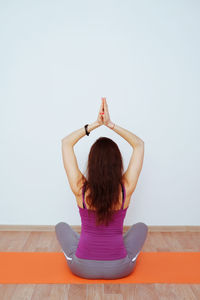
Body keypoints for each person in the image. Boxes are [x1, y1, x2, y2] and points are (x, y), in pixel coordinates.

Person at [55, 97, 148, 279]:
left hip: (81, 268)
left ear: (91, 164)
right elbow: (139, 145)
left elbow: (66, 143)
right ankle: (118, 253)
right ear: (117, 164)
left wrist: (96, 124)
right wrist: (110, 125)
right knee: (141, 227)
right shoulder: (125, 190)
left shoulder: (80, 189)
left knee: (61, 227)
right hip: (119, 269)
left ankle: (86, 250)